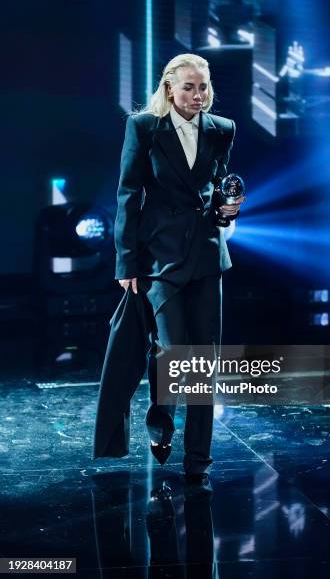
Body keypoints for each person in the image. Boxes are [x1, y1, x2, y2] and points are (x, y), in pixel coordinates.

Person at [114, 53, 243, 490]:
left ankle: (198, 457)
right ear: (169, 87)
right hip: (159, 259)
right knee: (173, 351)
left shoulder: (222, 130)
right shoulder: (145, 128)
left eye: (203, 86)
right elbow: (129, 195)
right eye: (189, 86)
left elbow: (217, 190)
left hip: (207, 257)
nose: (197, 95)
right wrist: (126, 261)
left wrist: (228, 212)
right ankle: (162, 417)